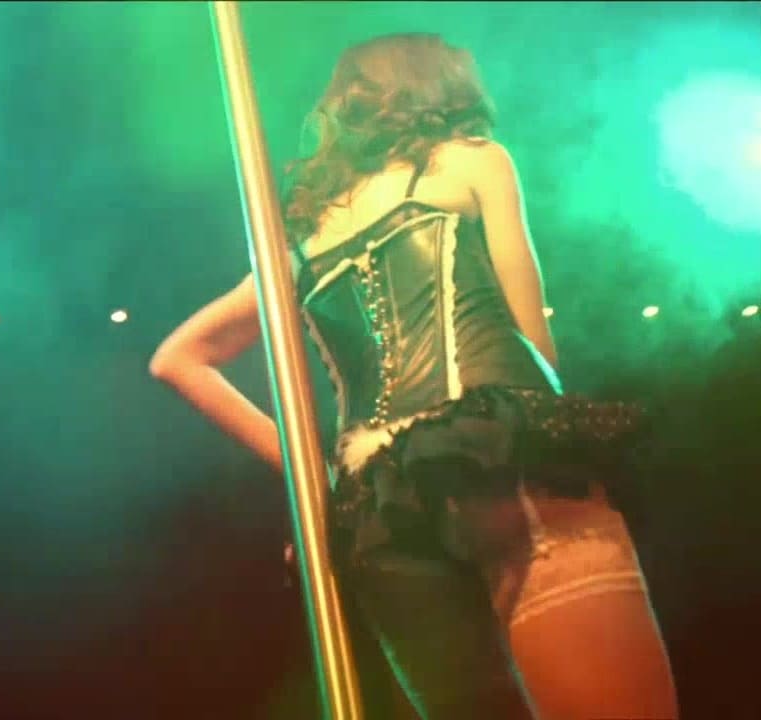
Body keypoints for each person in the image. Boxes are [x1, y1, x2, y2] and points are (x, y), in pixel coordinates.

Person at [149, 32, 678, 720]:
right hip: (498, 464)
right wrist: (558, 443)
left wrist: (318, 478)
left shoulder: (300, 240)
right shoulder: (473, 159)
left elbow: (178, 357)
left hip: (382, 513)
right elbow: (532, 344)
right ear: (441, 87)